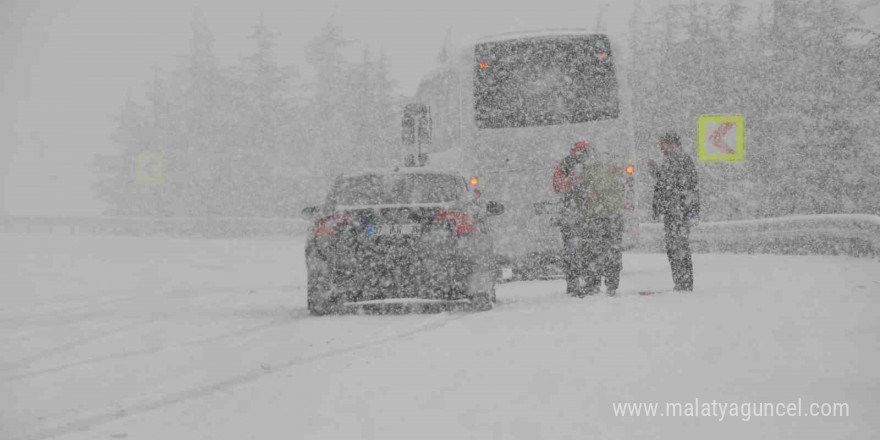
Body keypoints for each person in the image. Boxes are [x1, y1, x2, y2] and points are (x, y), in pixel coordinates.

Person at [552, 141, 626, 297]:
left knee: (596, 250)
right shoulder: (567, 165)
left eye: (583, 154)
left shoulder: (597, 167)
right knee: (581, 251)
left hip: (594, 216)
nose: (582, 157)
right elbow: (559, 187)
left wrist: (599, 205)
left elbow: (610, 190)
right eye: (579, 154)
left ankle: (597, 283)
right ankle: (581, 283)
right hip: (579, 216)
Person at [650, 132, 700, 291]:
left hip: (677, 210)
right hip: (676, 210)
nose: (660, 147)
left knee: (677, 247)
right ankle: (682, 281)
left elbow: (670, 185)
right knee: (677, 247)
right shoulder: (675, 160)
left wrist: (689, 210)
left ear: (671, 144)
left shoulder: (677, 159)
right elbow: (667, 184)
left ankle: (683, 282)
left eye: (663, 144)